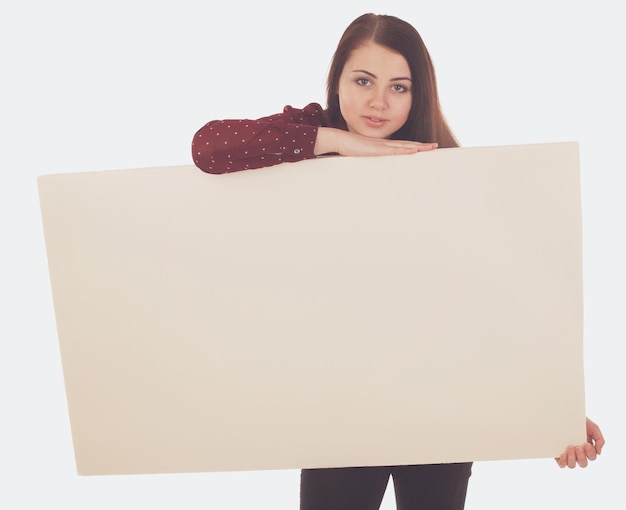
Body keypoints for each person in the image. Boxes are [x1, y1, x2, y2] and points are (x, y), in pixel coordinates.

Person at [192, 12, 605, 510]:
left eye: (399, 86)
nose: (379, 102)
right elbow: (208, 146)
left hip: (441, 400)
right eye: (363, 80)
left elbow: (499, 296)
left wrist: (553, 406)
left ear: (418, 94)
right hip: (339, 402)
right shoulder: (307, 137)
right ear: (336, 82)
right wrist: (340, 142)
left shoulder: (450, 171)